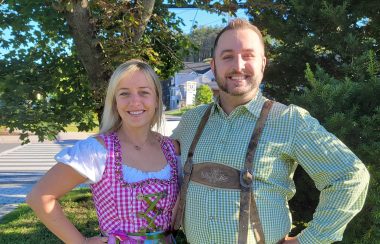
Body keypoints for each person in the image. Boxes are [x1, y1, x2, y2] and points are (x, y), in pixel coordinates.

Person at [171, 19, 370, 244]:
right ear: (214, 65)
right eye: (227, 56)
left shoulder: (289, 120)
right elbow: (155, 162)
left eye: (248, 55)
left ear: (263, 64)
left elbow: (350, 176)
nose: (238, 65)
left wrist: (309, 240)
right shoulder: (191, 121)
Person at [27, 59, 180, 244]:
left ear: (156, 99)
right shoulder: (97, 151)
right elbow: (40, 197)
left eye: (144, 92)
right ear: (114, 102)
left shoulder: (172, 149)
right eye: (124, 93)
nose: (135, 101)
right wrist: (81, 242)